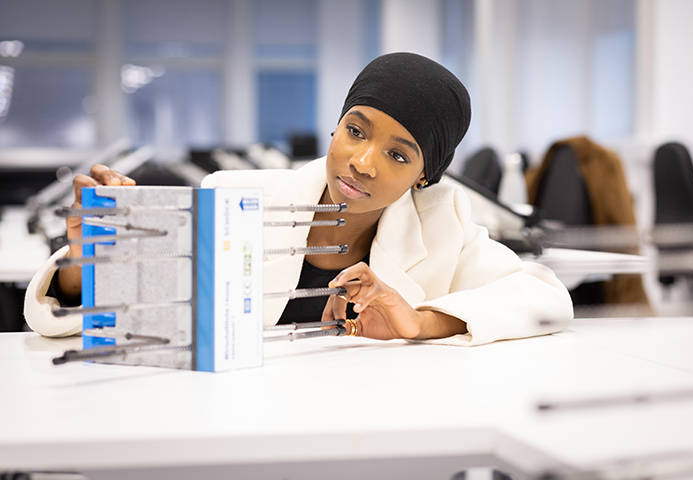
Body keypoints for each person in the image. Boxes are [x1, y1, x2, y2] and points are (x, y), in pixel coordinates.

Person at [24, 52, 573, 345]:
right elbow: (121, 306)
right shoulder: (238, 200)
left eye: (399, 156)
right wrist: (87, 261)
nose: (363, 162)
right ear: (336, 127)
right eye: (356, 131)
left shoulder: (442, 223)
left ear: (426, 178)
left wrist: (422, 321)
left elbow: (547, 297)